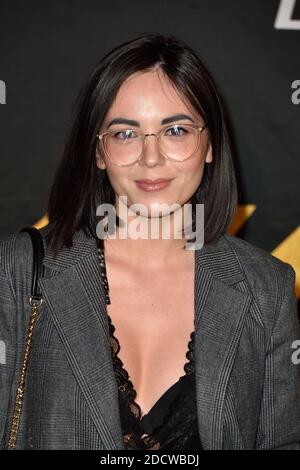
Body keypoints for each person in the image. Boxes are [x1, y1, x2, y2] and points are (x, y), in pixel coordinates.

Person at [0, 32, 299, 450]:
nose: (151, 157)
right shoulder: (16, 270)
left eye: (175, 130)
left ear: (209, 144)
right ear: (98, 153)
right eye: (125, 134)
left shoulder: (268, 287)